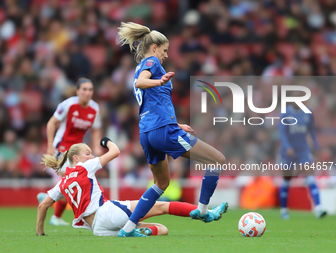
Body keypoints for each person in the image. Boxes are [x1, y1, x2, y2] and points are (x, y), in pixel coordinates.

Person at [116, 22, 228, 237]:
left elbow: (150, 102)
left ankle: (127, 229)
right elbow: (142, 83)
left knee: (161, 184)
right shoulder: (152, 62)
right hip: (162, 131)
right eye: (165, 50)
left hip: (147, 133)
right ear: (155, 47)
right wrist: (160, 81)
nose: (166, 55)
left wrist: (176, 124)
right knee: (217, 160)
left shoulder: (139, 67)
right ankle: (203, 211)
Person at [37, 138, 227, 237]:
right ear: (76, 159)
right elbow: (116, 152)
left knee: (162, 229)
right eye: (88, 153)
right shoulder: (84, 167)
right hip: (107, 213)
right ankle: (206, 212)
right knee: (162, 206)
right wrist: (106, 141)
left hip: (97, 228)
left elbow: (43, 205)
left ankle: (132, 231)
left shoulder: (61, 183)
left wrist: (40, 232)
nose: (92, 155)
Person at [37, 77, 102, 226]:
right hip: (62, 147)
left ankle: (48, 200)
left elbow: (96, 129)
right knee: (72, 181)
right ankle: (55, 214)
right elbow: (51, 123)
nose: (87, 92)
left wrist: (97, 147)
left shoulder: (95, 108)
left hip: (77, 151)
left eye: (90, 89)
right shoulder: (68, 105)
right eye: (84, 89)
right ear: (77, 91)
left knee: (71, 183)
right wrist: (50, 146)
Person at [278, 103, 327, 219]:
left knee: (310, 178)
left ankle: (318, 209)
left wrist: (316, 146)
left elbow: (312, 130)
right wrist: (287, 147)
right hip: (287, 151)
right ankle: (284, 210)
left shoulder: (308, 112)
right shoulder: (285, 113)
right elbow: (282, 132)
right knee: (286, 181)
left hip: (303, 150)